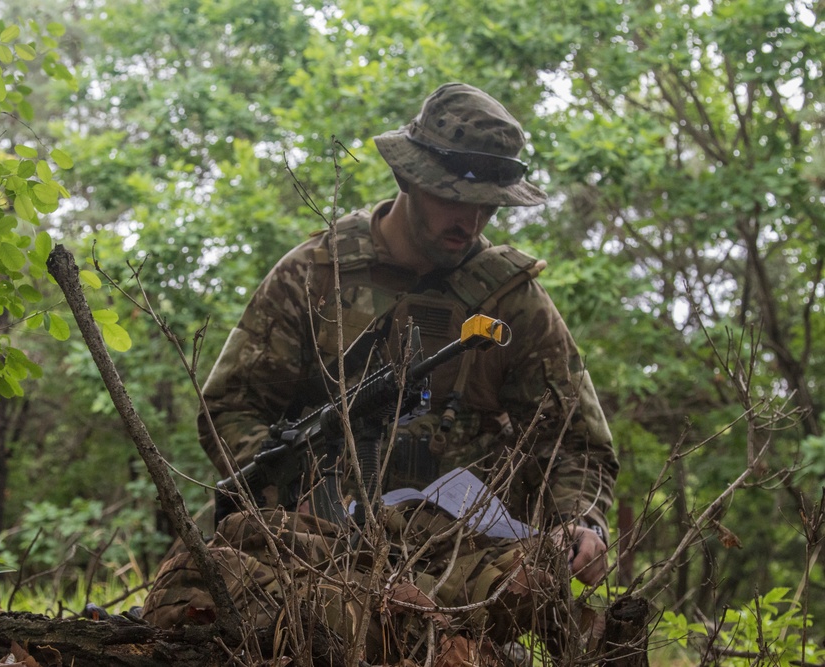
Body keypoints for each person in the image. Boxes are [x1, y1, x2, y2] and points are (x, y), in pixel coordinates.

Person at [166, 82, 619, 658]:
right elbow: (231, 406)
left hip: (462, 554)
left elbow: (576, 442)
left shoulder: (512, 301)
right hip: (320, 542)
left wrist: (581, 524)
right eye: (454, 198)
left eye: (487, 205)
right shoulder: (316, 275)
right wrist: (300, 490)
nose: (472, 221)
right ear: (410, 179)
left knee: (519, 594)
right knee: (203, 585)